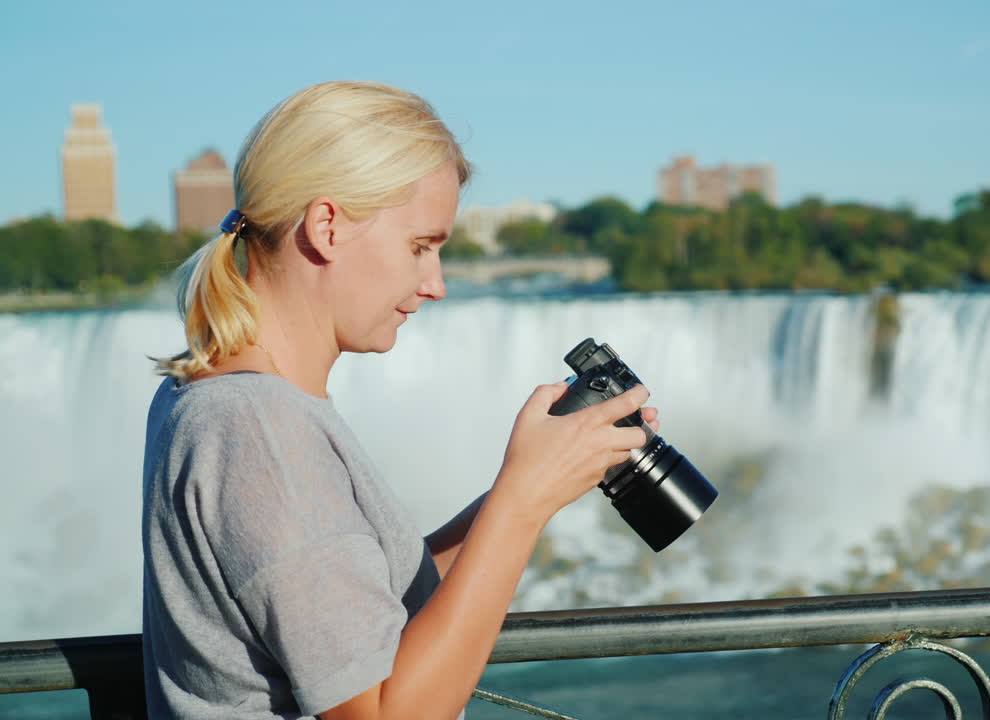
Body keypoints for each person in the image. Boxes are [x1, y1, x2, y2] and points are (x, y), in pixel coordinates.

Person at [142, 80, 656, 720]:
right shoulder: (256, 427)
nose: (435, 284)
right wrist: (521, 504)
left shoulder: (216, 393)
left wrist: (537, 480)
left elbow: (369, 608)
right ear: (327, 225)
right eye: (421, 246)